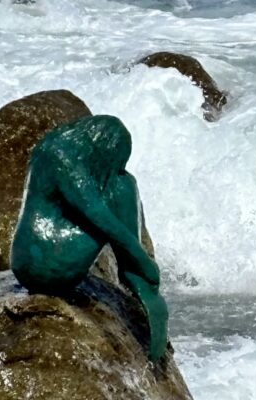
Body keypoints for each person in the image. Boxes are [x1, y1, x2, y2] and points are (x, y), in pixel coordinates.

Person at [10, 114, 168, 361]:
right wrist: (145, 262)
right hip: (47, 264)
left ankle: (136, 275)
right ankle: (140, 279)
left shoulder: (51, 147)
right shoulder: (60, 156)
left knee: (119, 184)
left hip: (25, 260)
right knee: (123, 186)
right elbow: (94, 211)